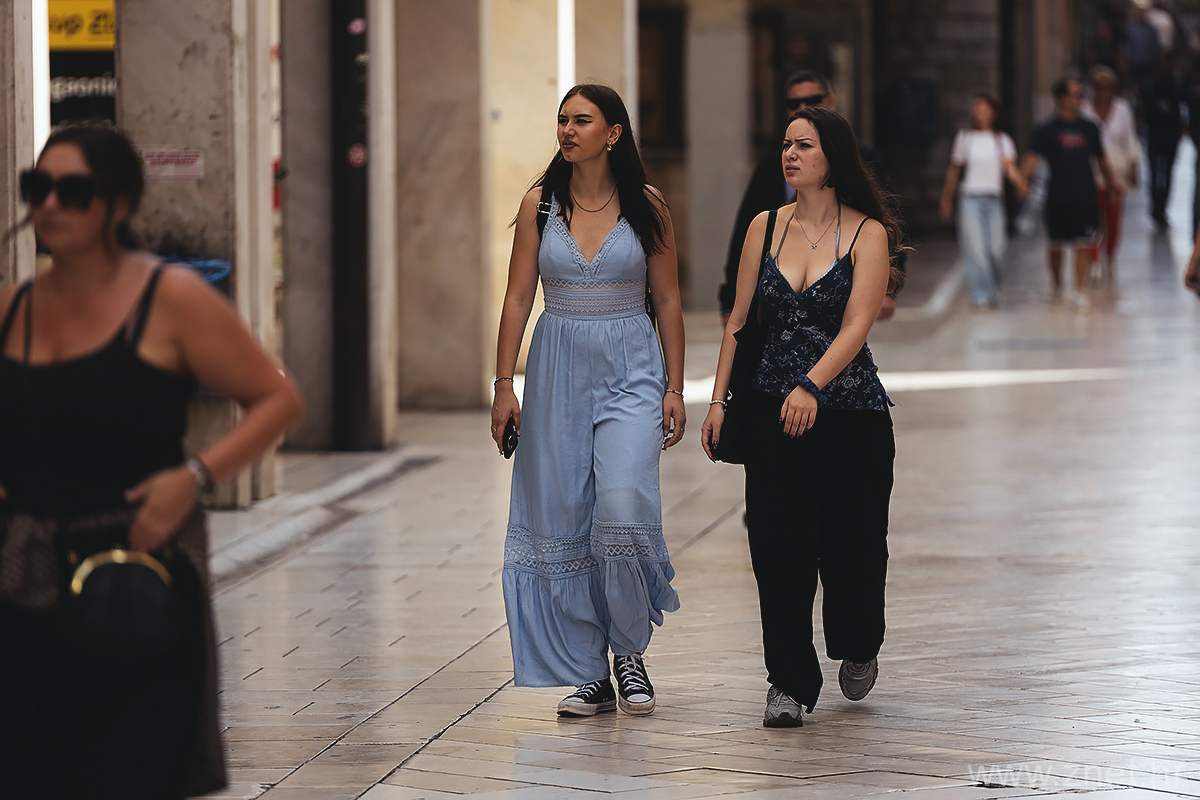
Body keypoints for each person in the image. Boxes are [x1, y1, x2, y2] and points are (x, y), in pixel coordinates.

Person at [0, 126, 304, 798]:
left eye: (72, 191)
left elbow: (277, 398)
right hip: (23, 578)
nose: (49, 204)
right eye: (37, 187)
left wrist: (194, 478)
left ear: (118, 203)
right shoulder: (13, 308)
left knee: (129, 768)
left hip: (132, 574)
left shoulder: (169, 298)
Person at [700, 107, 903, 729]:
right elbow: (739, 320)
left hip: (852, 415)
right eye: (786, 144)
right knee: (777, 547)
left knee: (854, 546)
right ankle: (786, 681)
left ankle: (858, 641)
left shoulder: (867, 233)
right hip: (771, 411)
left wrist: (812, 384)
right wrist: (718, 399)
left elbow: (858, 324)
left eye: (804, 145)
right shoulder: (764, 226)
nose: (789, 154)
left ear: (832, 158)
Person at [490, 84, 685, 719]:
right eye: (562, 120)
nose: (568, 131)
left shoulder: (648, 205)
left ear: (614, 133)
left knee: (621, 508)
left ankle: (629, 651)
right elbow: (518, 298)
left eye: (582, 120)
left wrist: (675, 387)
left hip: (632, 369)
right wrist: (503, 385)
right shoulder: (540, 204)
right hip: (557, 373)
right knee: (566, 518)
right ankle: (589, 670)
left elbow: (668, 301)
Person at [718, 69, 903, 324]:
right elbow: (743, 232)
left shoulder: (865, 163)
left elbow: (888, 218)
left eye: (813, 101)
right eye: (794, 103)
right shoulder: (771, 172)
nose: (803, 108)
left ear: (831, 101)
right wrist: (729, 302)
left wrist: (890, 288)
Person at [1021, 77, 1115, 310]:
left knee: (1083, 242)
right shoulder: (1046, 129)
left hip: (1085, 194)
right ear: (1062, 98)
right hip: (1057, 195)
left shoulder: (1090, 128)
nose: (1079, 100)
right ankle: (1056, 283)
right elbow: (1032, 157)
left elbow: (1101, 159)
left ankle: (1080, 289)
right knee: (1056, 243)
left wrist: (1112, 184)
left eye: (1081, 95)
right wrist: (1023, 179)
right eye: (1075, 95)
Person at [939, 91, 1028, 309]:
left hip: (994, 199)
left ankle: (994, 286)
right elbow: (954, 170)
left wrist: (1020, 182)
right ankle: (981, 295)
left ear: (994, 113)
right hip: (970, 199)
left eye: (984, 109)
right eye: (977, 109)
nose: (980, 113)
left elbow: (1009, 166)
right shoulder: (964, 138)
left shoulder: (1002, 140)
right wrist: (947, 199)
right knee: (976, 250)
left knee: (997, 249)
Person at [1083, 65, 1141, 279]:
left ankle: (1110, 255)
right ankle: (1093, 259)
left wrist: (1134, 167)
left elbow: (1130, 139)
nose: (1102, 91)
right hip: (1090, 172)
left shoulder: (1122, 109)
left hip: (1116, 171)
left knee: (1113, 218)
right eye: (1098, 86)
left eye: (1106, 86)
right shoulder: (1084, 109)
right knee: (1091, 217)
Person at [1143, 53, 1184, 227]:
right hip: (1154, 134)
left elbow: (1183, 107)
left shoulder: (1177, 84)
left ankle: (1162, 207)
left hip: (1170, 135)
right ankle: (1156, 205)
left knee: (1167, 173)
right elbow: (1143, 107)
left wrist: (1181, 129)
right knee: (1154, 173)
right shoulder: (1150, 84)